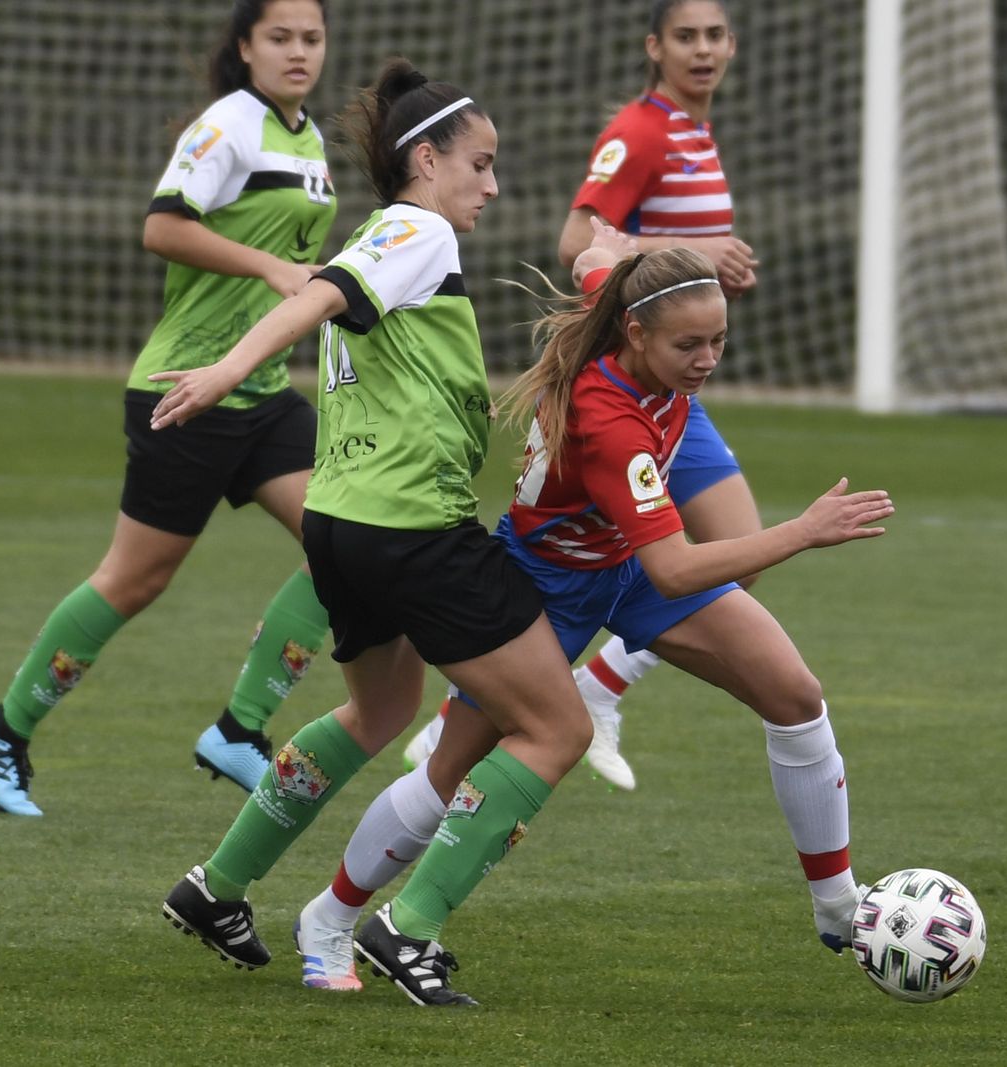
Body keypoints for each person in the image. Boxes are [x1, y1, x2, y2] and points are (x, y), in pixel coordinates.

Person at [290, 236, 894, 1004]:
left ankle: (839, 904)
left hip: (626, 567)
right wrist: (802, 530)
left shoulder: (632, 305)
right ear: (637, 336)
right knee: (449, 771)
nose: (707, 358)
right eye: (690, 344)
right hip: (548, 589)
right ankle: (336, 915)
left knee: (795, 693)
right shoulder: (611, 420)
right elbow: (677, 566)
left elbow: (597, 264)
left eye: (718, 340)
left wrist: (608, 252)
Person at [155, 57, 597, 1009]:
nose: (491, 184)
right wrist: (228, 371)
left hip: (342, 523)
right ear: (425, 158)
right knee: (556, 725)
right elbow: (318, 294)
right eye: (479, 163)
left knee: (380, 713)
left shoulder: (391, 234)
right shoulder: (416, 227)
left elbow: (340, 297)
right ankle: (409, 927)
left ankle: (217, 886)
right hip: (412, 532)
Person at [0, 0, 342, 817]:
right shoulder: (228, 124)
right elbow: (162, 227)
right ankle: (1, 730)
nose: (298, 51)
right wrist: (272, 268)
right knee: (134, 579)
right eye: (280, 37)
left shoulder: (308, 141)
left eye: (311, 37)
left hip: (265, 393)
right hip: (186, 389)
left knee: (347, 542)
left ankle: (240, 728)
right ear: (245, 47)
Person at [401, 0, 760, 791]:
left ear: (732, 45)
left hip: (671, 387)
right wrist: (696, 252)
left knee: (731, 554)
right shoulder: (641, 131)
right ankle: (481, 716)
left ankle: (591, 691)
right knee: (701, 551)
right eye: (685, 37)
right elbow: (578, 241)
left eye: (714, 36)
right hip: (631, 383)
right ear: (654, 47)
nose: (702, 51)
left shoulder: (698, 135)